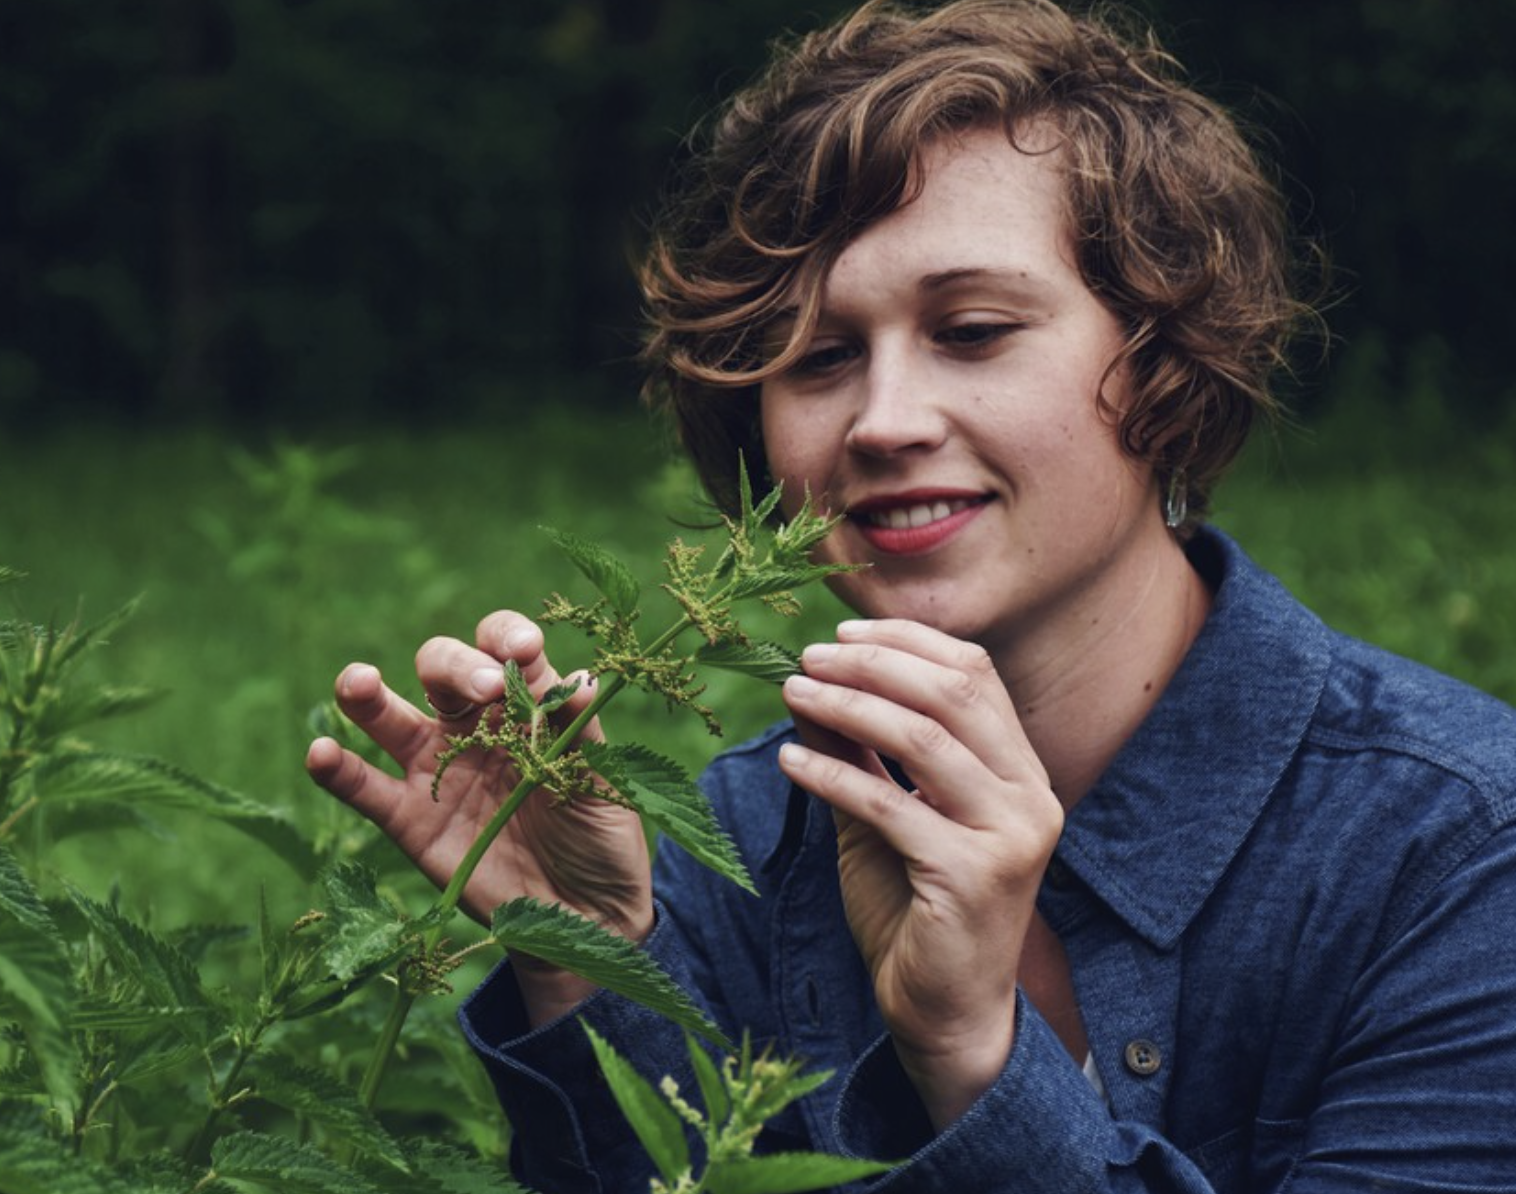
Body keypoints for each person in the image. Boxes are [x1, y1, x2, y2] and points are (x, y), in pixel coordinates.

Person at [305, 1, 1516, 1189]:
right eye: (821, 358)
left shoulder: (1456, 855)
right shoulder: (727, 848)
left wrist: (973, 1055)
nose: (883, 422)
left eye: (974, 329)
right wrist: (590, 962)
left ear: (1166, 362)